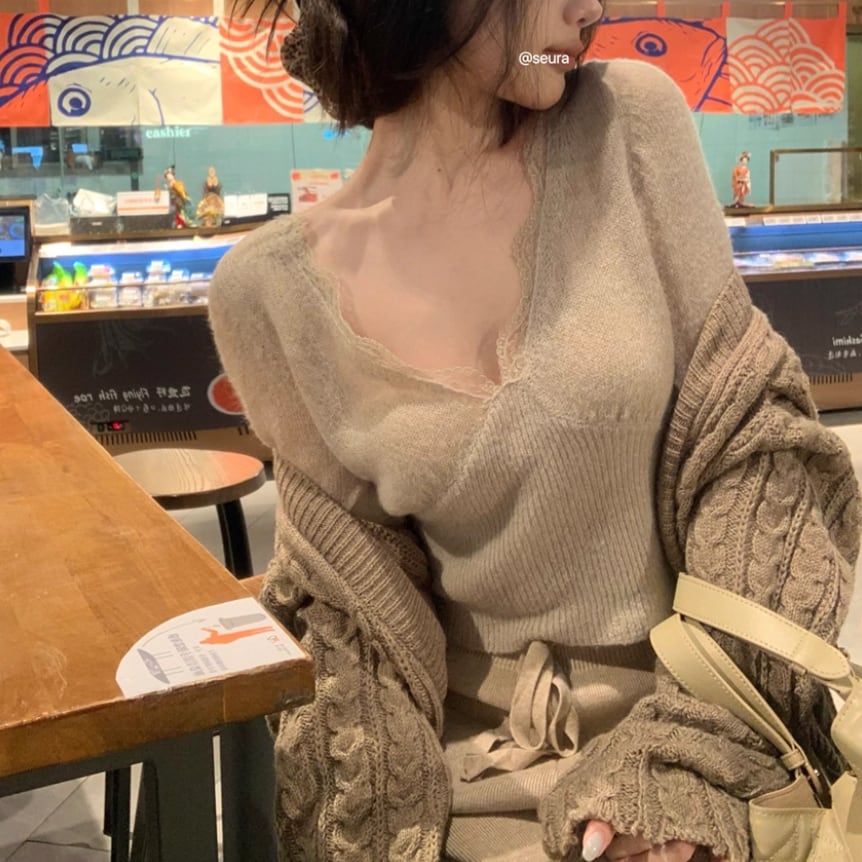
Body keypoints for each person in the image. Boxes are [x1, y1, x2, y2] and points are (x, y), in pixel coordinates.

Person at [208, 0, 861, 860]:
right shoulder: (267, 294)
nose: (591, 11)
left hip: (708, 728)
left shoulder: (627, 123)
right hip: (461, 779)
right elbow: (350, 612)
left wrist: (686, 762)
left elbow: (755, 444)